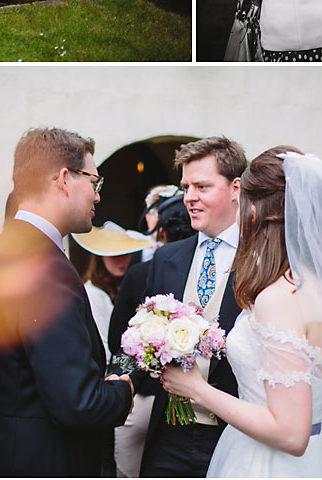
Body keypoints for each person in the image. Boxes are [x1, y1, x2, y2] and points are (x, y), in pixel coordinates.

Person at [0, 127, 134, 477]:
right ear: (63, 179)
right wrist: (122, 389)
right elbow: (78, 404)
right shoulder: (46, 269)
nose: (97, 196)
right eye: (94, 182)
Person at [161, 148, 322, 477]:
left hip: (265, 462)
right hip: (315, 457)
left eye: (243, 202)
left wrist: (197, 389)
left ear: (256, 210)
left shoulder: (279, 297)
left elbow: (290, 434)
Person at [135, 137, 247, 477]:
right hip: (169, 432)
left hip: (235, 433)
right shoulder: (167, 257)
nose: (189, 197)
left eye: (202, 186)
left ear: (235, 188)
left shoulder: (259, 260)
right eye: (185, 186)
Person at [108, 187, 196, 478]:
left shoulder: (139, 272)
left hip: (143, 396)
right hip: (187, 398)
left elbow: (115, 338)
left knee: (130, 473)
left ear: (163, 232)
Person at [71, 222, 151, 361]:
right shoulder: (93, 294)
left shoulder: (126, 285)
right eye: (115, 255)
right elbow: (104, 343)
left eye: (126, 254)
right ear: (101, 258)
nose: (122, 261)